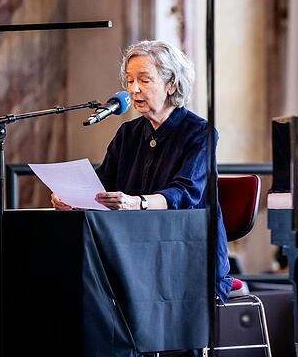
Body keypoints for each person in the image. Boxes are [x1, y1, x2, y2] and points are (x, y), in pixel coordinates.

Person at [51, 40, 232, 301]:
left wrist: (136, 203)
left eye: (145, 80)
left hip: (187, 254)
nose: (134, 89)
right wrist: (71, 197)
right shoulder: (128, 133)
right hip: (135, 254)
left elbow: (185, 194)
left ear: (171, 84)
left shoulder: (199, 133)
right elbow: (101, 184)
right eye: (129, 80)